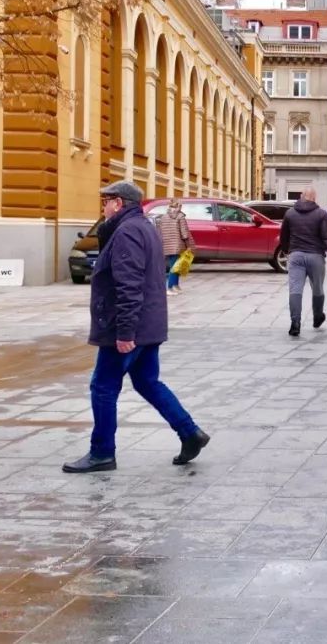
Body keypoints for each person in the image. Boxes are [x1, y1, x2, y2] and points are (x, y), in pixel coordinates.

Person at [63, 181, 209, 474]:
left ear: (118, 203)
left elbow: (129, 286)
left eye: (105, 202)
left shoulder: (127, 232)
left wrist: (125, 332)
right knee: (146, 382)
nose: (103, 208)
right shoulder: (143, 227)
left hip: (130, 327)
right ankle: (190, 433)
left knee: (102, 387)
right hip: (148, 323)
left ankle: (102, 452)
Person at [280, 186, 327, 337]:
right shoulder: (321, 214)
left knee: (295, 290)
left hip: (296, 256)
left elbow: (284, 236)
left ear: (301, 196)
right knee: (318, 289)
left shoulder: (290, 213)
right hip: (316, 257)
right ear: (314, 198)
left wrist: (287, 250)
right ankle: (318, 317)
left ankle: (295, 323)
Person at [155, 198, 195, 295]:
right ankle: (169, 288)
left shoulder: (163, 217)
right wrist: (188, 245)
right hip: (177, 245)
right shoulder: (180, 216)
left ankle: (175, 286)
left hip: (166, 244)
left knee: (175, 266)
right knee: (175, 267)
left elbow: (159, 231)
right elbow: (184, 233)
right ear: (179, 206)